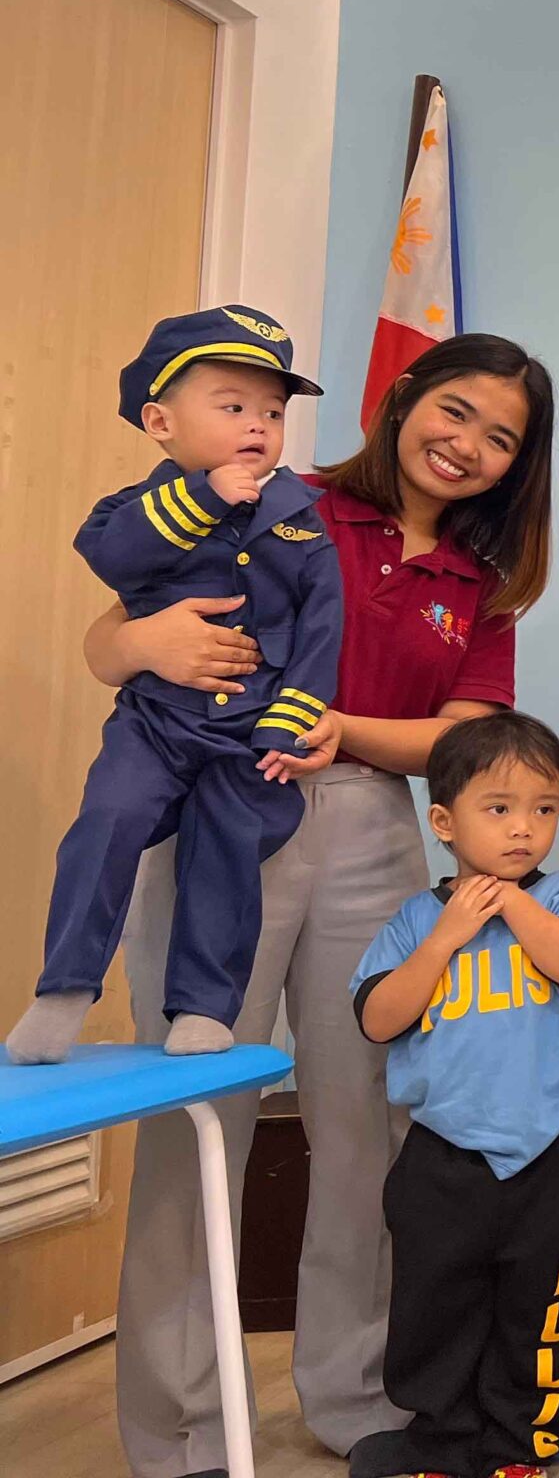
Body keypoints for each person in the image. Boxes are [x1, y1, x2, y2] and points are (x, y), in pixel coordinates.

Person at [90, 330, 553, 1478]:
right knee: (196, 1117)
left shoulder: (480, 586)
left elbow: (461, 739)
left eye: (502, 438)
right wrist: (141, 641)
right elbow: (115, 635)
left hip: (372, 827)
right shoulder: (280, 495)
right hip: (219, 804)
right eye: (455, 412)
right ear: (402, 398)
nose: (468, 446)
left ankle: (357, 1400)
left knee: (368, 1124)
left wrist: (343, 730)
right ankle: (181, 1434)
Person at [10, 306, 337, 1065]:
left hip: (248, 731)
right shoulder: (135, 510)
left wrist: (288, 722)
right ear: (160, 422)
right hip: (154, 722)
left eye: (273, 413)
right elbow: (115, 559)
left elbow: (323, 628)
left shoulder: (302, 518)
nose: (257, 425)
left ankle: (205, 1006)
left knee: (226, 853)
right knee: (107, 820)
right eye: (232, 406)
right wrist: (208, 496)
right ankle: (63, 989)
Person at [353, 712, 559, 1478]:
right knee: (435, 1306)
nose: (524, 827)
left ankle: (520, 1447)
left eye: (544, 808)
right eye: (499, 808)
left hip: (554, 1148)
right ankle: (440, 1444)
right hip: (445, 1155)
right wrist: (445, 935)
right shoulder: (414, 921)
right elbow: (378, 1019)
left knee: (543, 1309)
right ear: (444, 822)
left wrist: (509, 900)